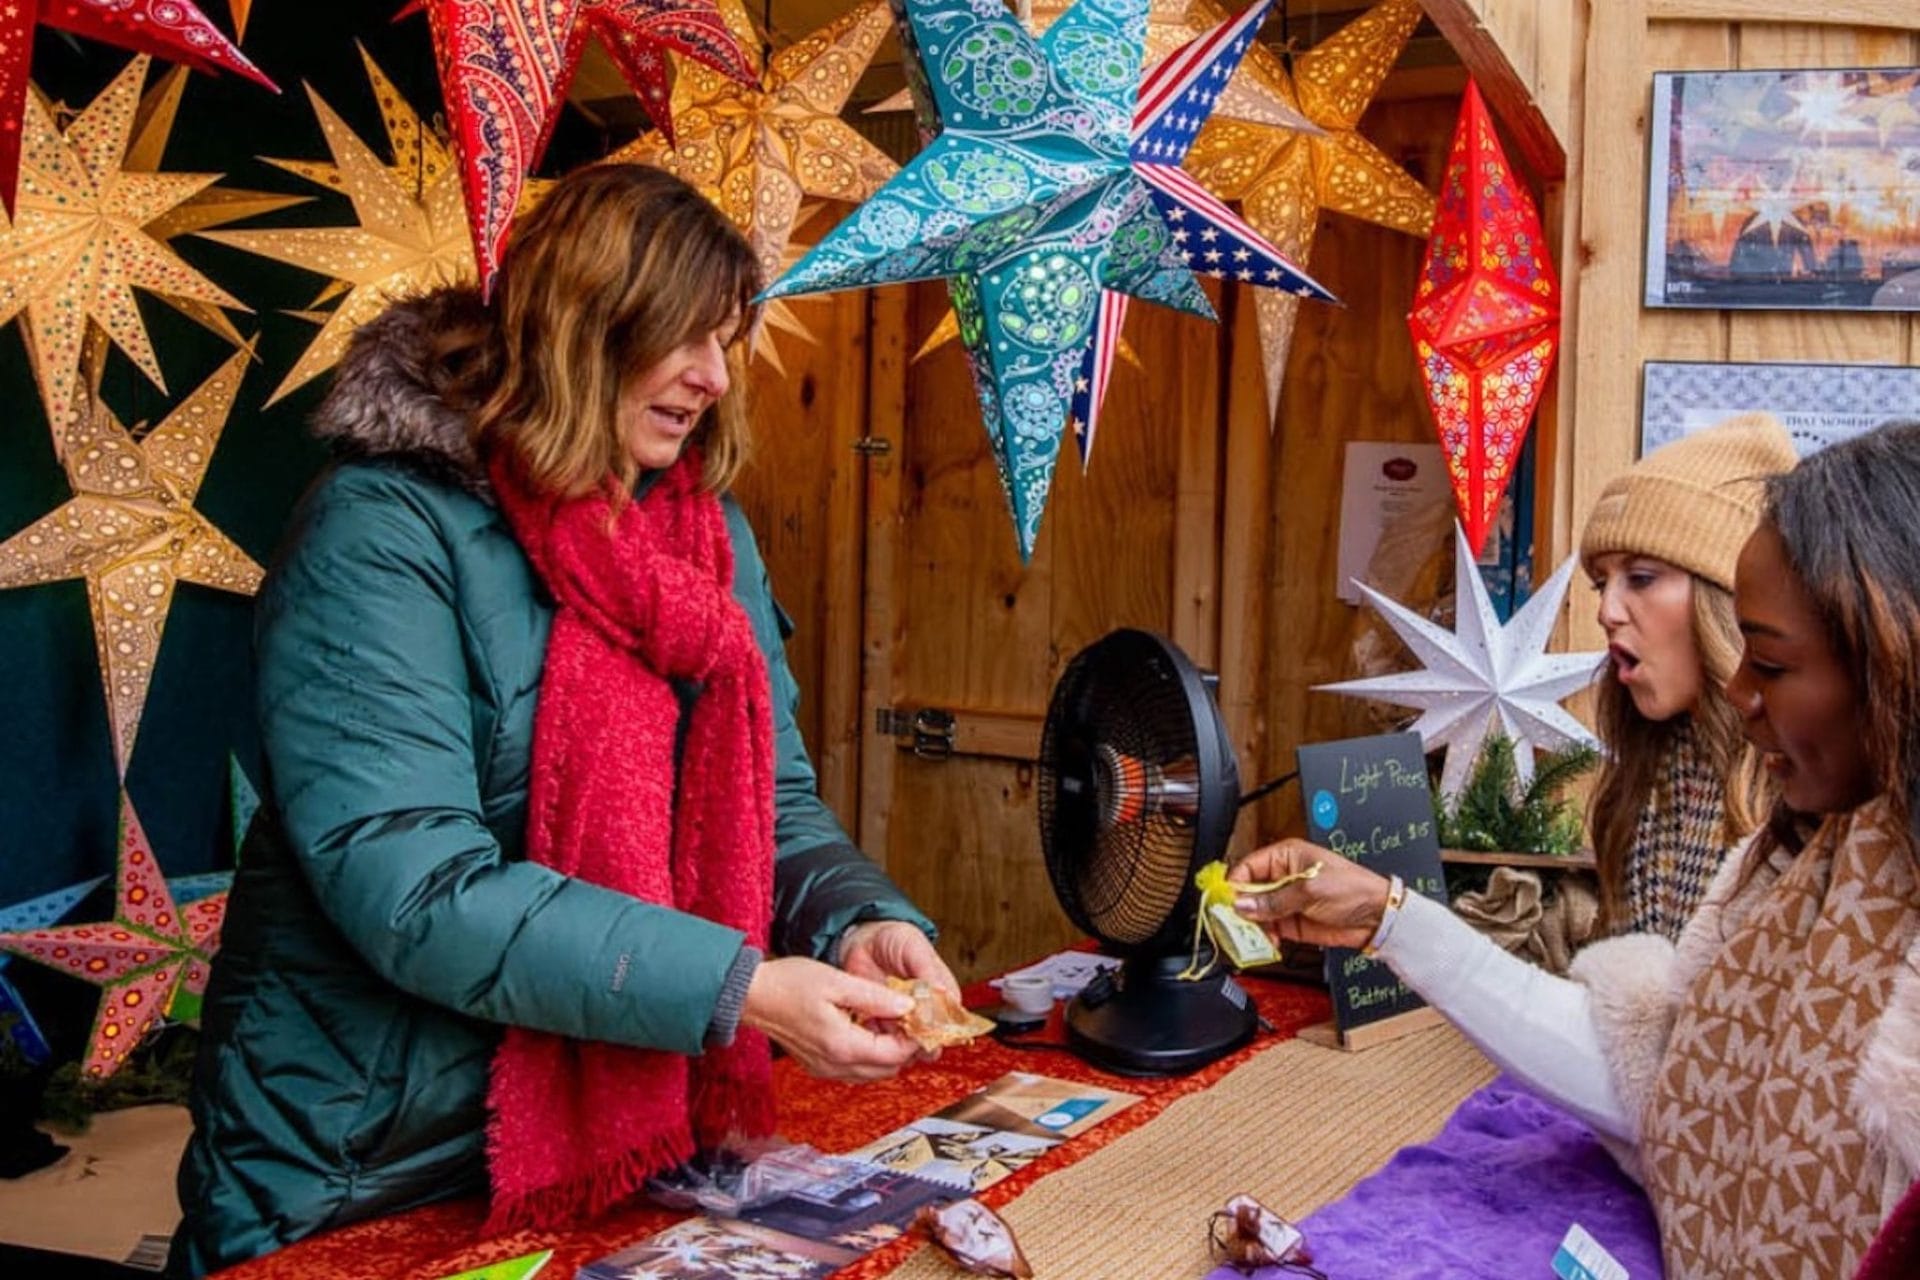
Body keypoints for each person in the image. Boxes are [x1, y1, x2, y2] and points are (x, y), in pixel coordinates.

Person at [171, 164, 957, 1276]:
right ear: (583, 328)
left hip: (642, 1137)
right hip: (364, 1156)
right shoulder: (381, 526)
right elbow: (413, 885)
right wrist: (737, 987)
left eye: (726, 341)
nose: (714, 377)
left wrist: (851, 918)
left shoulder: (705, 534)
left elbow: (771, 802)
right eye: (684, 338)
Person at [1230, 420, 1920, 1279]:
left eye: (1772, 664)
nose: (1606, 610)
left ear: (1887, 660)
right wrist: (1386, 916)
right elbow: (1669, 1084)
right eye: (1601, 581)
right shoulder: (1783, 847)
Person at [1579, 412, 1795, 939]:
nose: (1608, 610)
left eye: (1642, 578)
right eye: (1601, 583)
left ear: (1728, 600)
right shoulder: (1653, 775)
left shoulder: (1808, 784)